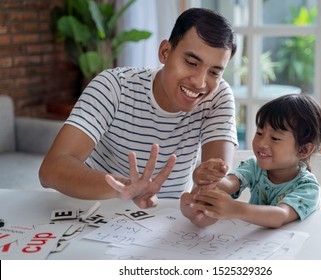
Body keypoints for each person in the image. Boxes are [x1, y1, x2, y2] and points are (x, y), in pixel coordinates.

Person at [39, 8, 238, 209]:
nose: (200, 82)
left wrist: (207, 193)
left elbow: (214, 183)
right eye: (191, 63)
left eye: (214, 72)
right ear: (165, 52)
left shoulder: (217, 97)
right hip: (97, 212)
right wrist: (124, 188)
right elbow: (51, 169)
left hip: (168, 222)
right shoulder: (113, 86)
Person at [183, 94, 321, 228]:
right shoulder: (254, 166)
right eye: (259, 133)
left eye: (275, 138)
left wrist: (236, 209)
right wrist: (208, 178)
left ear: (304, 150)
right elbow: (229, 184)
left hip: (295, 248)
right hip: (257, 244)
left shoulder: (308, 187)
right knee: (197, 202)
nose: (261, 143)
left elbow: (280, 215)